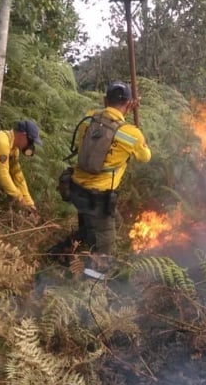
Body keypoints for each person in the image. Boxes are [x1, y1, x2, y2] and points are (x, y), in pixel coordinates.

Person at [58, 81, 151, 278]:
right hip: (97, 198)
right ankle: (92, 286)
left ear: (104, 100)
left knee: (107, 224)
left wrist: (123, 111)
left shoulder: (88, 119)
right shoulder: (131, 134)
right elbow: (145, 157)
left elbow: (105, 120)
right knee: (106, 252)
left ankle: (62, 254)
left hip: (75, 189)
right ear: (128, 104)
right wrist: (139, 135)